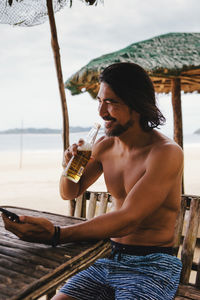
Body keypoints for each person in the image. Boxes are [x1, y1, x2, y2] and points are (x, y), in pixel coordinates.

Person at [2, 62, 183, 300]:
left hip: (152, 264)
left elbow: (129, 218)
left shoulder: (165, 153)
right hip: (106, 256)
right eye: (99, 101)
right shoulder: (105, 146)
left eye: (112, 102)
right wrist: (69, 166)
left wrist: (57, 234)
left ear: (137, 104)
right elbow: (69, 192)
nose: (101, 112)